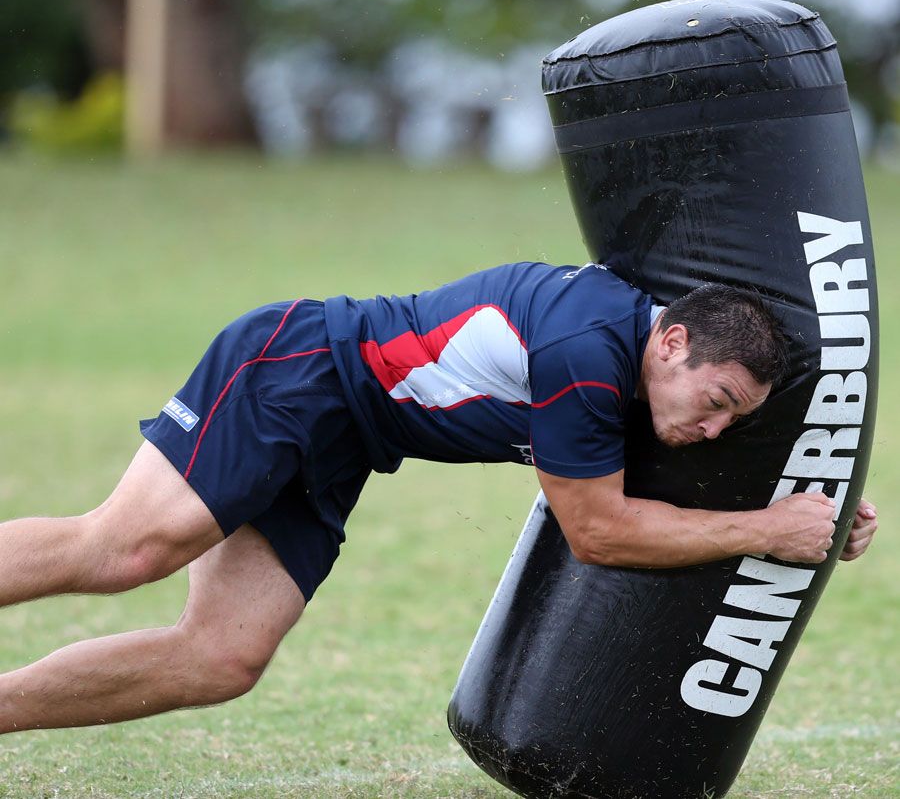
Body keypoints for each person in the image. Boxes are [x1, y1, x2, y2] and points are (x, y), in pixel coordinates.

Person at [0, 261, 877, 734]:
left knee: (222, 659)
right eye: (715, 404)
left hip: (346, 444)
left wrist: (821, 509)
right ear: (673, 340)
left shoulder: (651, 372)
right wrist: (766, 530)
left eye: (733, 419)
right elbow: (600, 534)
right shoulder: (584, 355)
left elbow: (695, 473)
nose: (712, 430)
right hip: (300, 370)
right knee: (131, 550)